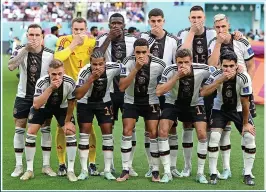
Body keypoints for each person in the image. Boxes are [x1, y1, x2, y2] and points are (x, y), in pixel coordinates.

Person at [177, 6, 242, 178]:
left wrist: (236, 35)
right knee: (188, 124)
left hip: (213, 86)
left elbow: (215, 61)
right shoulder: (183, 33)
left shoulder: (214, 33)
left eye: (199, 17)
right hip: (189, 86)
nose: (196, 20)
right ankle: (188, 166)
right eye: (193, 17)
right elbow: (182, 54)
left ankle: (225, 167)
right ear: (189, 18)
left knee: (220, 126)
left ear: (204, 18)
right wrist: (192, 32)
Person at [208, 13, 256, 179]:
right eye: (217, 27)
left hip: (241, 93)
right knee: (221, 133)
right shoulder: (213, 43)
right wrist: (218, 44)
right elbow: (211, 65)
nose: (221, 30)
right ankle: (225, 168)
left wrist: (246, 84)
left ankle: (247, 172)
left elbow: (251, 65)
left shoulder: (241, 40)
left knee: (248, 133)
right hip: (220, 94)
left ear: (228, 24)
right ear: (214, 28)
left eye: (223, 26)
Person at [200, 50, 256, 186]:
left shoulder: (244, 77)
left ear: (237, 65)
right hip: (220, 109)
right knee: (213, 137)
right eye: (225, 66)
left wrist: (245, 124)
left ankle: (247, 173)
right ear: (220, 65)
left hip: (238, 110)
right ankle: (213, 173)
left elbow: (245, 102)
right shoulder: (216, 75)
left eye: (231, 66)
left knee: (249, 137)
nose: (228, 69)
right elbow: (203, 92)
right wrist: (221, 79)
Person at [156, 48, 212, 183]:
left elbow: (217, 72)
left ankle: (199, 172)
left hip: (194, 103)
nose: (183, 65)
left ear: (191, 61)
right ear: (176, 62)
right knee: (162, 131)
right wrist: (177, 76)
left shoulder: (202, 69)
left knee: (202, 134)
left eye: (186, 62)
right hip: (173, 103)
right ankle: (167, 172)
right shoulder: (170, 70)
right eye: (180, 62)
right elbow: (159, 91)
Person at [8, 24, 55, 178]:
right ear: (27, 35)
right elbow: (11, 66)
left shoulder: (50, 54)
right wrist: (25, 50)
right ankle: (19, 165)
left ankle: (46, 166)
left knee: (45, 127)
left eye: (37, 35)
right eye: (31, 35)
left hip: (42, 97)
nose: (33, 38)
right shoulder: (20, 49)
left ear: (42, 37)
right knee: (20, 127)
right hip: (23, 96)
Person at [116, 38, 165, 182]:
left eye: (144, 52)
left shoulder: (159, 64)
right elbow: (122, 87)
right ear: (134, 51)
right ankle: (126, 169)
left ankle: (155, 169)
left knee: (153, 133)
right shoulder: (127, 62)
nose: (141, 55)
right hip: (131, 101)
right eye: (138, 52)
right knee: (127, 131)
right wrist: (136, 68)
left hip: (151, 101)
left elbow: (167, 81)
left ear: (148, 51)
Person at [20, 60, 78, 182]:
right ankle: (30, 169)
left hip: (62, 107)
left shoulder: (70, 82)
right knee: (31, 132)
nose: (57, 77)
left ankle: (71, 170)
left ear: (64, 72)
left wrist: (67, 121)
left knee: (70, 131)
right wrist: (51, 87)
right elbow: (36, 105)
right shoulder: (42, 82)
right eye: (53, 74)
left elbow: (72, 103)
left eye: (60, 74)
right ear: (48, 73)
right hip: (43, 106)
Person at [54, 17, 97, 176]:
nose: (79, 33)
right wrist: (74, 44)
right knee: (62, 127)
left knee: (88, 127)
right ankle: (61, 163)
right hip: (66, 89)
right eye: (75, 30)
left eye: (81, 30)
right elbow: (57, 59)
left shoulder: (92, 43)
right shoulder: (64, 40)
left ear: (86, 29)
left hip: (85, 89)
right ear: (71, 29)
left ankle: (91, 162)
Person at [140, 8, 180, 178]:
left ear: (163, 21)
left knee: (170, 128)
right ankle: (152, 166)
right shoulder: (143, 39)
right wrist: (150, 40)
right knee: (150, 129)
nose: (155, 24)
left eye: (158, 21)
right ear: (149, 22)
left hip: (167, 91)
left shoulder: (173, 40)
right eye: (153, 21)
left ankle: (172, 166)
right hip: (148, 91)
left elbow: (175, 63)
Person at [96, 13, 137, 176]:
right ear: (109, 25)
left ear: (124, 25)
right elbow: (96, 57)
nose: (116, 26)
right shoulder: (102, 40)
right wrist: (108, 39)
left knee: (130, 128)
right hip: (108, 91)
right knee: (108, 127)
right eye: (113, 23)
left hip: (128, 91)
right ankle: (110, 165)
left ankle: (129, 165)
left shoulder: (132, 41)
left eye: (119, 23)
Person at [75, 51, 121, 180]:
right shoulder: (84, 72)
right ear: (90, 63)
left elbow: (126, 66)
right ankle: (84, 170)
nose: (97, 67)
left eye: (101, 64)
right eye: (94, 64)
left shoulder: (113, 67)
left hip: (104, 102)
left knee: (108, 134)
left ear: (105, 62)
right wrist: (91, 79)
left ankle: (107, 170)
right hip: (85, 103)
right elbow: (78, 94)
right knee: (84, 135)